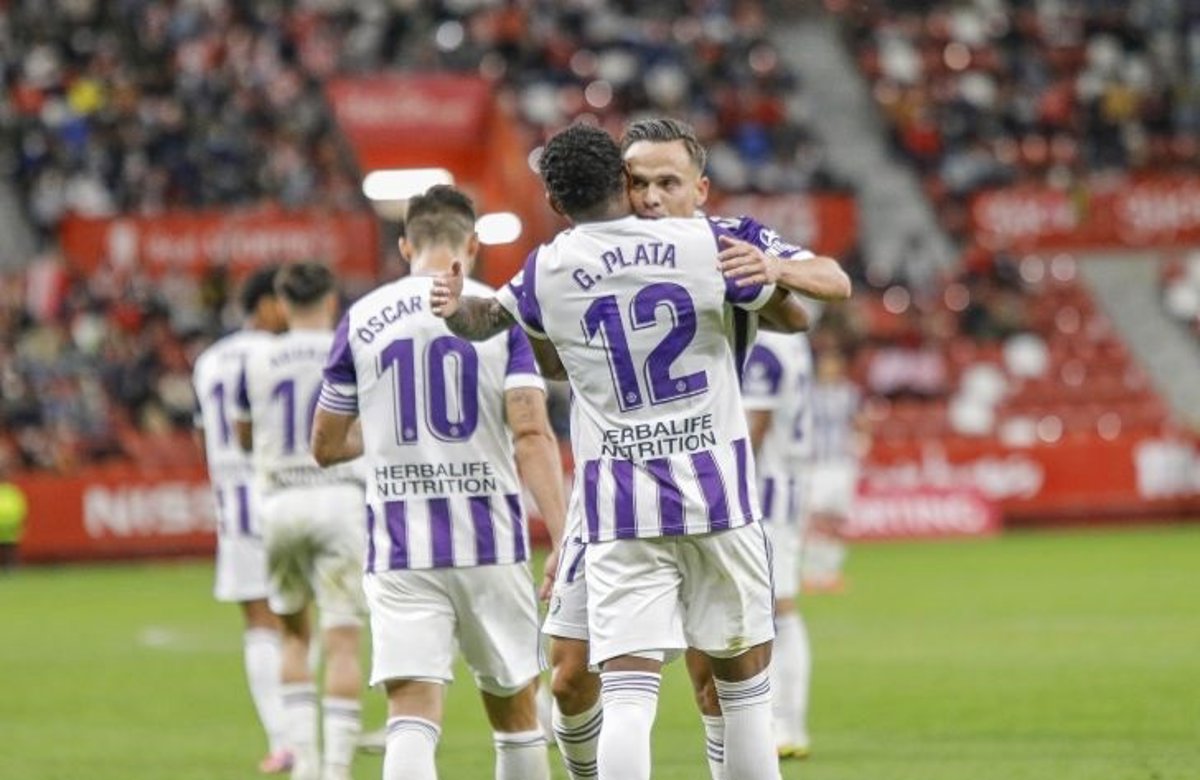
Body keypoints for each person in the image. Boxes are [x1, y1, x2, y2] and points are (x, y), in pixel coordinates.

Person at [433, 123, 808, 780]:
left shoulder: (549, 267)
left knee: (631, 697)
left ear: (554, 201)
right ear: (623, 182)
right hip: (716, 496)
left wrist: (452, 305)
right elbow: (799, 313)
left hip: (623, 508)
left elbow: (487, 323)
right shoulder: (706, 243)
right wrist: (776, 271)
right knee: (744, 694)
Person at [535, 116, 851, 780]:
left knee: (715, 681)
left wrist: (772, 271)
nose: (650, 197)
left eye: (668, 182)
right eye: (638, 182)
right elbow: (550, 361)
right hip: (607, 500)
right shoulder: (582, 252)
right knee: (568, 675)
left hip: (705, 492)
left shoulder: (724, 245)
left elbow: (825, 284)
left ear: (700, 188)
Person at [309, 185, 566, 780]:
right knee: (517, 715)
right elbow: (531, 432)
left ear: (405, 246)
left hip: (401, 548)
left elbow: (325, 445)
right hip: (490, 543)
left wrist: (384, 427)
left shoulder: (363, 318)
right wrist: (561, 535)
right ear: (472, 244)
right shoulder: (502, 313)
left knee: (411, 714)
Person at [235, 263, 366, 780]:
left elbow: (244, 436)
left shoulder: (257, 359)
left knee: (292, 636)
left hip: (281, 503)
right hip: (340, 497)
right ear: (331, 300)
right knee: (342, 640)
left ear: (283, 304)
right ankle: (336, 769)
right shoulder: (350, 346)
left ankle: (304, 764)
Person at [191, 265, 292, 774]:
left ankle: (282, 737)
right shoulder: (282, 353)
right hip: (286, 494)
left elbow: (201, 435)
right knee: (301, 619)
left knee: (258, 622)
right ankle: (309, 727)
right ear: (267, 304)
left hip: (235, 505)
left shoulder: (208, 361)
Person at [741, 331, 816, 759]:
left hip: (764, 491)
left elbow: (758, 422)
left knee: (775, 608)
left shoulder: (764, 346)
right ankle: (784, 723)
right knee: (773, 607)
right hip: (786, 483)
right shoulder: (793, 341)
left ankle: (783, 724)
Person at [804, 348, 868, 593]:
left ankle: (831, 572)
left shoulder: (849, 394)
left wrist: (861, 443)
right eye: (825, 364)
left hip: (842, 464)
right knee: (815, 519)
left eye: (833, 364)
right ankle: (812, 572)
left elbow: (861, 422)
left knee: (836, 519)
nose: (829, 369)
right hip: (816, 465)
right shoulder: (808, 394)